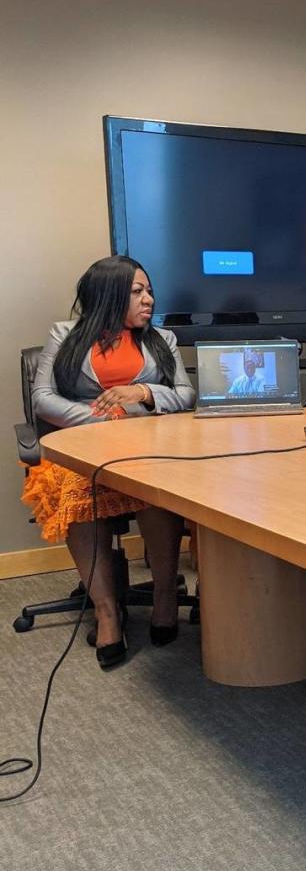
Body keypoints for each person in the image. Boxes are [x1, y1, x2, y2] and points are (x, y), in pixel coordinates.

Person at [22, 256, 195, 669]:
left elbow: (186, 395)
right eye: (137, 292)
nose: (149, 299)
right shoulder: (64, 336)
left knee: (157, 486)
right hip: (84, 447)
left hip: (146, 446)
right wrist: (105, 415)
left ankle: (165, 594)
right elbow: (42, 399)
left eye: (149, 290)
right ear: (109, 295)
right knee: (74, 489)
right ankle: (106, 610)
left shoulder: (162, 340)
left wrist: (145, 395)